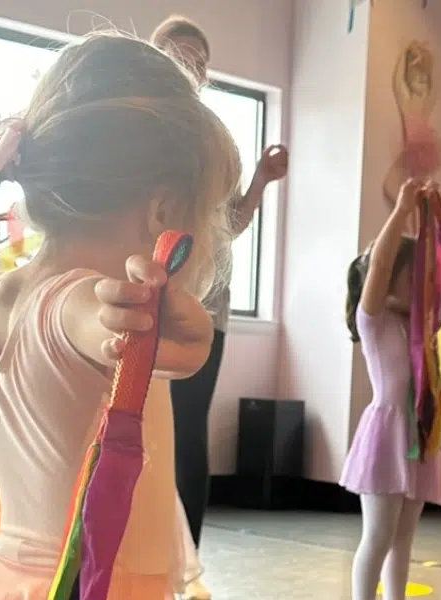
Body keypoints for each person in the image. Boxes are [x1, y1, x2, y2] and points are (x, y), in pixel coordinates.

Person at [0, 33, 241, 598]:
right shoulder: (81, 303)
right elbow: (94, 319)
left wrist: (148, 331)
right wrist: (145, 326)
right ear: (162, 209)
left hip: (11, 581)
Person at [150, 14, 289, 600]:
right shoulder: (140, 127)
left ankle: (189, 568)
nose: (191, 71)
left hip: (204, 307)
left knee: (186, 434)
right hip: (142, 295)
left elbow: (228, 224)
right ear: (155, 59)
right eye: (180, 58)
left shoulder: (216, 139)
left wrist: (259, 180)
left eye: (199, 63)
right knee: (133, 431)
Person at [341, 179, 441, 600]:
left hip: (419, 435)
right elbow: (382, 264)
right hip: (386, 436)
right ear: (389, 281)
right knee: (379, 535)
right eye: (414, 276)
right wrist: (402, 208)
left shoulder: (420, 325)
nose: (423, 283)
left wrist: (435, 223)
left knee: (403, 539)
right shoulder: (375, 322)